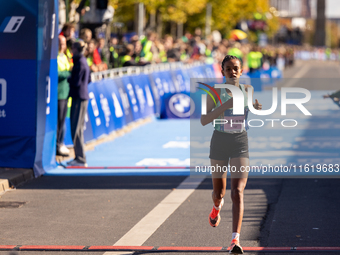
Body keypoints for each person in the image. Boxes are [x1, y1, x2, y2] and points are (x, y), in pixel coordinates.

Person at [200, 55, 262, 254]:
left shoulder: (247, 90)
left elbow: (248, 112)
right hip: (219, 141)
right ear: (222, 72)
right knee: (219, 193)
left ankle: (235, 240)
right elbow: (204, 120)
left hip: (239, 142)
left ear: (241, 71)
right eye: (228, 69)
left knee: (237, 192)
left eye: (236, 68)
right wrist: (224, 107)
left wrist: (255, 107)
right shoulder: (214, 93)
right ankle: (216, 207)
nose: (232, 72)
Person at [67, 40, 91, 167]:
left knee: (76, 129)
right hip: (81, 96)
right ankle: (79, 157)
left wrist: (68, 77)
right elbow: (89, 79)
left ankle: (80, 158)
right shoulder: (83, 61)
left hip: (79, 97)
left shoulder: (79, 62)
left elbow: (76, 82)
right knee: (78, 129)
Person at [56, 35, 72, 156]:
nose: (63, 45)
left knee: (63, 120)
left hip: (66, 93)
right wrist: (69, 72)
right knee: (59, 121)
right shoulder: (55, 56)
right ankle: (57, 144)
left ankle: (61, 142)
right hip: (59, 93)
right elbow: (58, 73)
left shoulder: (65, 56)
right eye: (60, 43)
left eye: (64, 43)